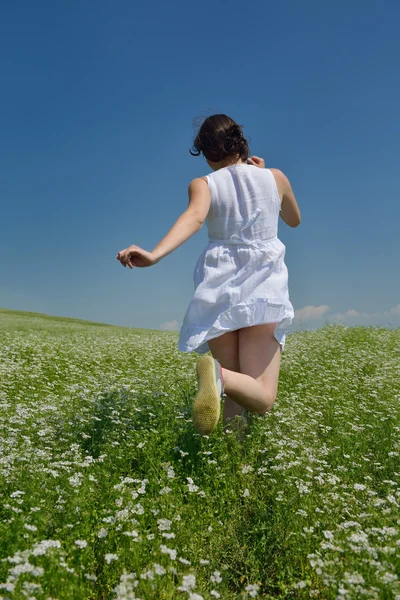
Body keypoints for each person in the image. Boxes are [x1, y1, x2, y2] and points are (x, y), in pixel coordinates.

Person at [116, 114, 300, 437]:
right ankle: (220, 377)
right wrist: (267, 177)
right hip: (264, 289)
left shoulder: (204, 184)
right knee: (262, 395)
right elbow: (294, 219)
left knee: (232, 398)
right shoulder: (275, 178)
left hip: (220, 287)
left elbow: (194, 217)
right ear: (241, 141)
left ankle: (230, 458)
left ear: (207, 154)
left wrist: (154, 255)